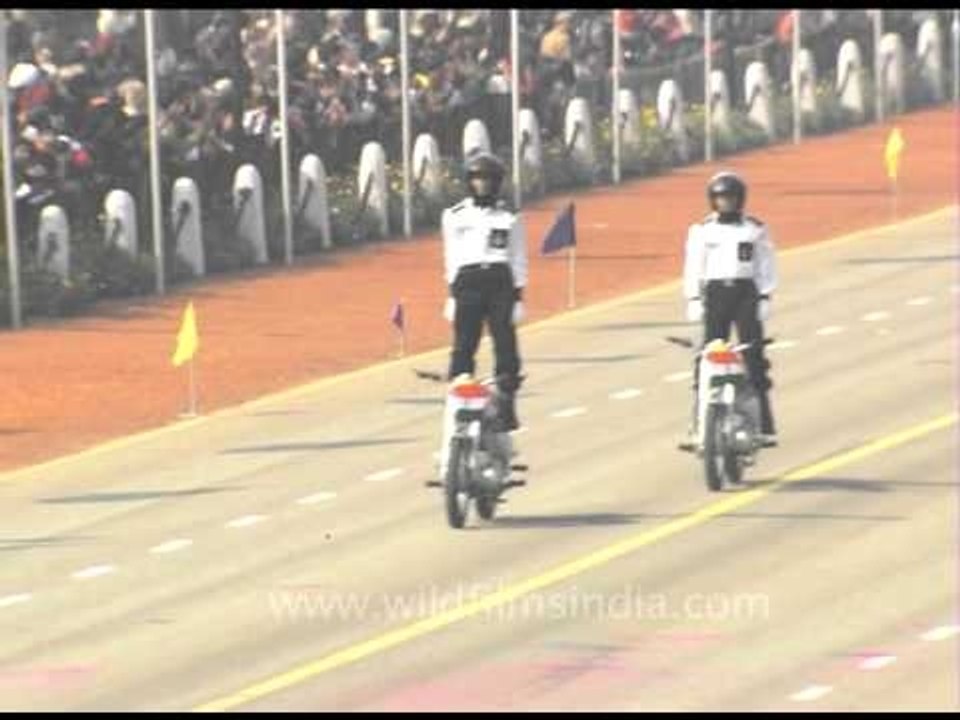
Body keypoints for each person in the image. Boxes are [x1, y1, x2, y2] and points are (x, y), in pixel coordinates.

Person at [437, 150, 528, 478]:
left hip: (500, 281)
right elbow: (451, 256)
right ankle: (456, 406)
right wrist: (451, 293)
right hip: (467, 283)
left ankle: (506, 408)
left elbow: (518, 257)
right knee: (464, 345)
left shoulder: (509, 217)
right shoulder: (455, 215)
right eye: (476, 178)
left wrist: (518, 295)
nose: (482, 184)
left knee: (506, 345)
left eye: (487, 179)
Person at [680, 170, 778, 450]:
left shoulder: (755, 229)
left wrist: (764, 296)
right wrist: (694, 299)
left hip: (746, 292)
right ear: (712, 200)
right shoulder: (702, 231)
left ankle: (764, 424)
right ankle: (699, 428)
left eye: (731, 198)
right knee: (707, 358)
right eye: (721, 199)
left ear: (740, 200)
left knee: (753, 356)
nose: (726, 203)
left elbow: (766, 264)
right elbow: (693, 267)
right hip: (715, 293)